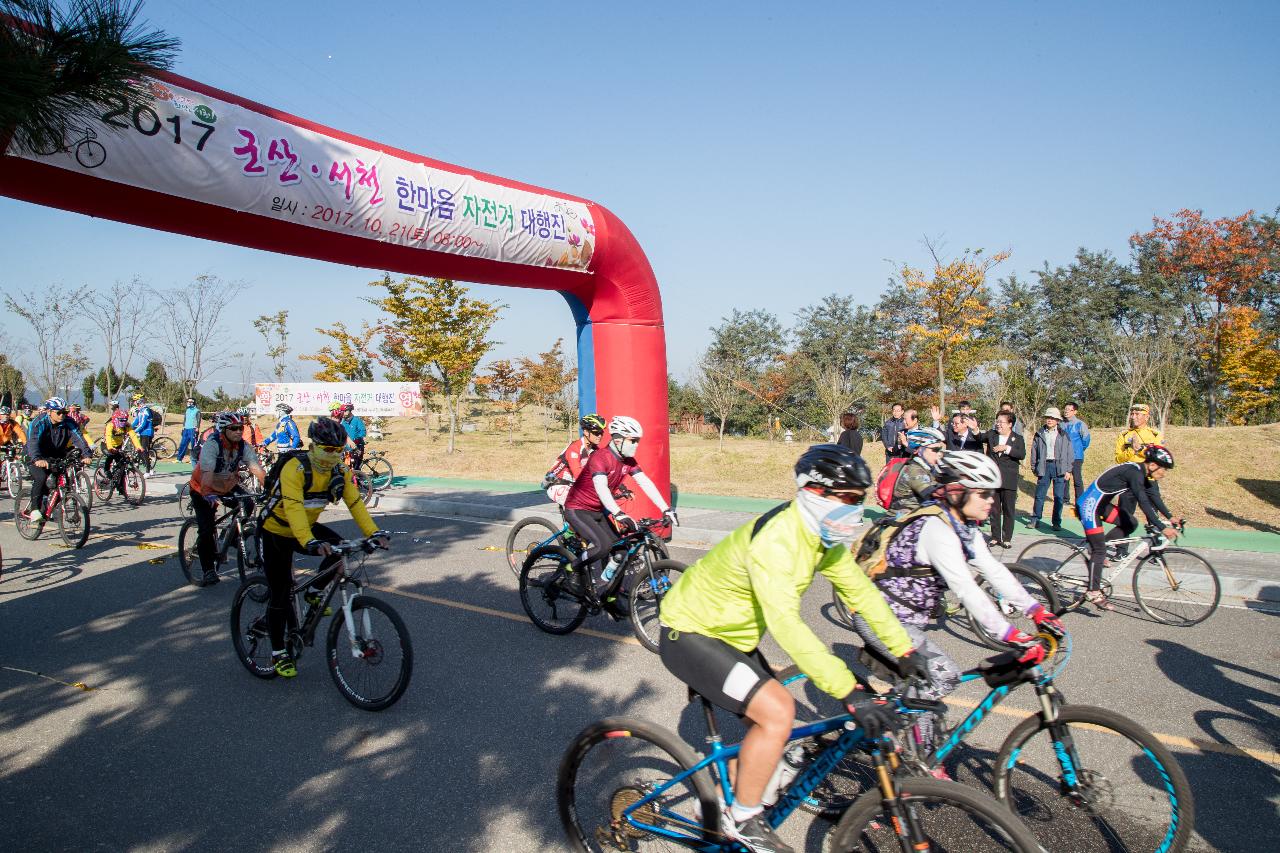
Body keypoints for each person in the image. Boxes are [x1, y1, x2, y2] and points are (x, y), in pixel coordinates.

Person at [658, 444, 927, 853]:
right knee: (778, 712)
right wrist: (849, 693)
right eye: (850, 500)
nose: (857, 511)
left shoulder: (821, 538)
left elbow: (860, 594)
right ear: (814, 493)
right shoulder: (779, 540)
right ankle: (742, 818)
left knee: (765, 731)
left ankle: (710, 806)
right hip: (691, 632)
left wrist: (905, 651)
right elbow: (787, 624)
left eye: (862, 500)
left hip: (734, 637)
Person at [848, 451, 1063, 747]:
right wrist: (1011, 634)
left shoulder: (963, 527)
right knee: (943, 676)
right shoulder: (936, 529)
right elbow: (965, 588)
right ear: (957, 491)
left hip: (907, 621)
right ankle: (912, 757)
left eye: (993, 494)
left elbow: (994, 571)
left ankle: (912, 747)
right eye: (984, 493)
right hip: (880, 618)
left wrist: (1037, 611)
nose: (991, 500)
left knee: (922, 688)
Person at [258, 416, 389, 677]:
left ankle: (313, 591)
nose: (333, 455)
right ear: (314, 445)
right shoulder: (295, 467)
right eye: (328, 449)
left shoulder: (339, 470)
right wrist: (309, 542)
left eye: (338, 450)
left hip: (306, 528)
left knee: (340, 549)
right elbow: (293, 507)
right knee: (281, 594)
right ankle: (278, 653)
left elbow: (355, 503)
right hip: (277, 530)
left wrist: (373, 533)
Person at [562, 415, 676, 618]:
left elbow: (645, 483)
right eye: (633, 441)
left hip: (598, 510)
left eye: (637, 441)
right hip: (578, 508)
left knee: (622, 551)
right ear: (618, 439)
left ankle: (609, 596)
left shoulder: (628, 461)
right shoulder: (600, 457)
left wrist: (666, 508)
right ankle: (573, 568)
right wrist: (618, 512)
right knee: (602, 546)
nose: (636, 445)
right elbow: (601, 488)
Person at [1077, 445, 1182, 611]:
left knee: (1131, 523)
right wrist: (1161, 527)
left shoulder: (1142, 473)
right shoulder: (1134, 473)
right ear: (1153, 465)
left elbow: (1153, 496)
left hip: (1102, 505)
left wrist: (1170, 517)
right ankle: (1093, 591)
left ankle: (1097, 546)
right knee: (1099, 551)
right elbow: (1144, 502)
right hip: (1089, 505)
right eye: (1164, 469)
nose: (1164, 474)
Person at [188, 411, 266, 586]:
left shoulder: (243, 446)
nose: (239, 431)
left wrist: (270, 488)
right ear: (223, 430)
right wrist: (207, 492)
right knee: (206, 530)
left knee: (248, 502)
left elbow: (256, 468)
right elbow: (207, 471)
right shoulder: (212, 444)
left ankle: (229, 535)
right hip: (202, 488)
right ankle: (208, 570)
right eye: (234, 428)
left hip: (226, 485)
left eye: (241, 428)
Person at [22, 397, 92, 521]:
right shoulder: (39, 422)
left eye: (64, 412)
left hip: (56, 454)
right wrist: (37, 459)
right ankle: (34, 509)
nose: (62, 415)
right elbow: (32, 442)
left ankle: (51, 505)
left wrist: (86, 454)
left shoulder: (69, 422)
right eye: (58, 412)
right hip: (35, 454)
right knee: (41, 477)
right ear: (49, 412)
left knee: (64, 483)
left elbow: (79, 438)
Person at [543, 413, 606, 506]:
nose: (600, 436)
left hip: (573, 485)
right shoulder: (575, 448)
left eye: (601, 433)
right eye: (596, 432)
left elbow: (605, 470)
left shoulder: (595, 450)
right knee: (583, 506)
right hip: (558, 485)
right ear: (585, 432)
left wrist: (618, 486)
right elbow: (578, 475)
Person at [1027, 407, 1073, 531]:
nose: (1050, 420)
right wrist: (1033, 466)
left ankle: (1056, 522)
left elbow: (1069, 452)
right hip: (1044, 466)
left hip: (1059, 467)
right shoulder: (1040, 433)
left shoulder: (1063, 434)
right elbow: (1034, 451)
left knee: (1058, 496)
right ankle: (1035, 519)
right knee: (1039, 495)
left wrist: (1069, 470)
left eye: (1053, 418)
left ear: (1057, 420)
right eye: (1048, 417)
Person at [984, 411, 1025, 547]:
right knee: (994, 509)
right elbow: (979, 437)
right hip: (994, 479)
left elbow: (1021, 454)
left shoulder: (1017, 438)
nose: (998, 424)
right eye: (997, 421)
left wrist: (1006, 448)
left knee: (1008, 510)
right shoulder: (992, 435)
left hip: (1009, 479)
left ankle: (1007, 538)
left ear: (1010, 424)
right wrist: (975, 429)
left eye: (1001, 422)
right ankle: (995, 537)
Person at [889, 427, 946, 513]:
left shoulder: (925, 468)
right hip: (901, 521)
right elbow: (935, 495)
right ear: (919, 450)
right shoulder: (914, 470)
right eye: (935, 450)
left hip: (914, 517)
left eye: (940, 450)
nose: (939, 454)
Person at [101, 409, 144, 498]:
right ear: (116, 419)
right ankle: (106, 471)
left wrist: (138, 446)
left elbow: (133, 436)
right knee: (111, 455)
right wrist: (110, 447)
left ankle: (121, 488)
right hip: (106, 445)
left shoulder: (127, 426)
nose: (124, 422)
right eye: (121, 420)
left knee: (122, 466)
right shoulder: (111, 425)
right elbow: (108, 436)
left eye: (125, 420)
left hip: (118, 445)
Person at [1061, 401, 1091, 504]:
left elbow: (1086, 440)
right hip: (1064, 456)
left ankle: (1079, 501)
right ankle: (1065, 499)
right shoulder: (1061, 424)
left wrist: (1079, 449)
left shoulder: (1080, 424)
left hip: (1077, 456)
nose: (1067, 412)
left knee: (1077, 479)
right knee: (1064, 478)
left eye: (1069, 410)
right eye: (1065, 409)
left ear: (1075, 412)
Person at [129, 393, 155, 476]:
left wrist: (135, 431)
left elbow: (143, 424)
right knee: (139, 451)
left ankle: (148, 471)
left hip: (147, 433)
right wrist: (128, 428)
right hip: (142, 433)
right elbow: (135, 422)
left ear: (139, 401)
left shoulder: (146, 410)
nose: (134, 403)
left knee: (144, 451)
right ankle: (150, 468)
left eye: (135, 401)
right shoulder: (140, 411)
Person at [338, 403, 367, 468]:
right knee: (347, 464)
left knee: (356, 464)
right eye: (342, 411)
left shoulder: (357, 420)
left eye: (345, 411)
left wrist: (358, 439)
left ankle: (358, 477)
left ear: (350, 410)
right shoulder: (343, 422)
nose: (343, 413)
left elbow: (362, 431)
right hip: (347, 447)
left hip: (357, 445)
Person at [176, 398, 201, 463]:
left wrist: (197, 429)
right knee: (183, 444)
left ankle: (193, 459)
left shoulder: (197, 411)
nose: (188, 403)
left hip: (193, 429)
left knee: (193, 445)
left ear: (193, 402)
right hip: (186, 429)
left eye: (190, 402)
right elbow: (185, 419)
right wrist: (183, 427)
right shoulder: (187, 410)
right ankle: (179, 459)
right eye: (187, 401)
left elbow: (198, 421)